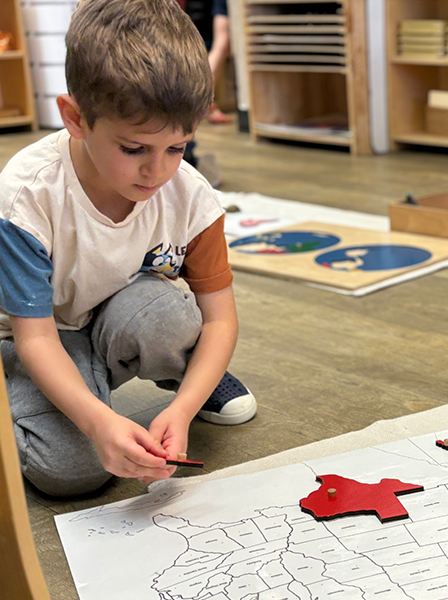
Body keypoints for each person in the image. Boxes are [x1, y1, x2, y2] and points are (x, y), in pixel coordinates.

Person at [0, 0, 256, 497]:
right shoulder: (25, 197)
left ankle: (190, 384)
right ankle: (23, 404)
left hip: (109, 317)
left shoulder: (191, 195)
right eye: (134, 148)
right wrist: (97, 424)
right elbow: (36, 339)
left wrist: (181, 409)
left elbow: (221, 319)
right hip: (30, 339)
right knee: (73, 472)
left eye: (177, 147)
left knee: (170, 315)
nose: (157, 171)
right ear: (75, 118)